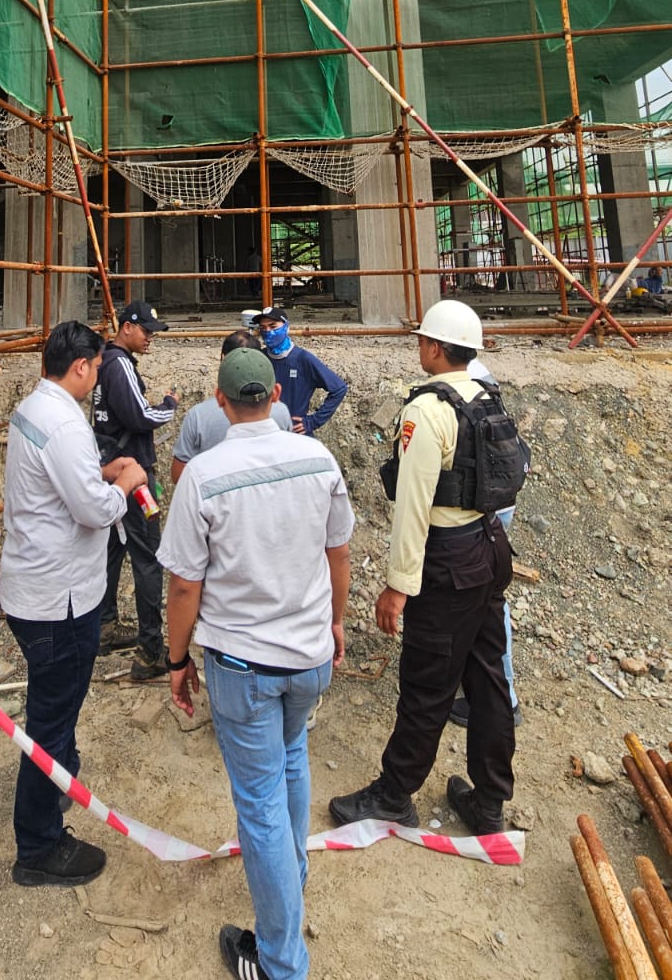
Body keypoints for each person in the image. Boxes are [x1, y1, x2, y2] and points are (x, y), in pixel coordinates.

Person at [159, 347, 354, 980]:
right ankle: (289, 880)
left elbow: (183, 586)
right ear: (275, 398)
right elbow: (339, 553)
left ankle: (280, 963)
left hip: (244, 666)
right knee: (292, 759)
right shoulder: (317, 459)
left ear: (220, 401)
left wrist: (177, 659)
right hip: (309, 658)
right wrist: (335, 623)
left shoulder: (204, 476)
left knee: (260, 806)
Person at [329, 299, 515, 837]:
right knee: (487, 678)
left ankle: (394, 795)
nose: (419, 348)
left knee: (426, 682)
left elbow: (413, 506)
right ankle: (489, 802)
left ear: (433, 347)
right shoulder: (487, 396)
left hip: (449, 558)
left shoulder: (427, 410)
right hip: (490, 545)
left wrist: (398, 586)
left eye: (421, 340)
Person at [0, 320, 147, 887]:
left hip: (33, 588)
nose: (98, 380)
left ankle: (59, 779)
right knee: (52, 720)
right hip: (57, 601)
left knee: (53, 704)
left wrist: (100, 472)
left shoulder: (35, 408)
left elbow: (63, 482)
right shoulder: (64, 423)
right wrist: (125, 483)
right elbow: (92, 509)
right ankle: (38, 847)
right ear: (81, 366)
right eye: (96, 370)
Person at [94, 301, 179, 680]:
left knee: (112, 548)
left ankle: (104, 626)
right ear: (126, 327)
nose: (149, 339)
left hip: (112, 469)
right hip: (133, 476)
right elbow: (141, 416)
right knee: (148, 556)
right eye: (146, 331)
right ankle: (150, 650)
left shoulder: (103, 362)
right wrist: (169, 405)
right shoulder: (119, 365)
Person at [449, 355, 522, 730]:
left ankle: (500, 699)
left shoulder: (462, 383)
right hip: (497, 502)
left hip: (480, 509)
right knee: (487, 601)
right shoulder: (483, 378)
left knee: (484, 604)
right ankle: (493, 693)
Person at [170, 330, 293, 484]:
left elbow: (179, 475)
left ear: (220, 398)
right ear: (275, 393)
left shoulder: (199, 415)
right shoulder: (281, 411)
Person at [256, 307, 348, 437]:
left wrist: (313, 421)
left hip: (295, 436)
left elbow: (339, 388)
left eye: (273, 326)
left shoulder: (303, 359)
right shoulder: (259, 358)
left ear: (286, 327)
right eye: (263, 328)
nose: (268, 332)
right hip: (265, 434)